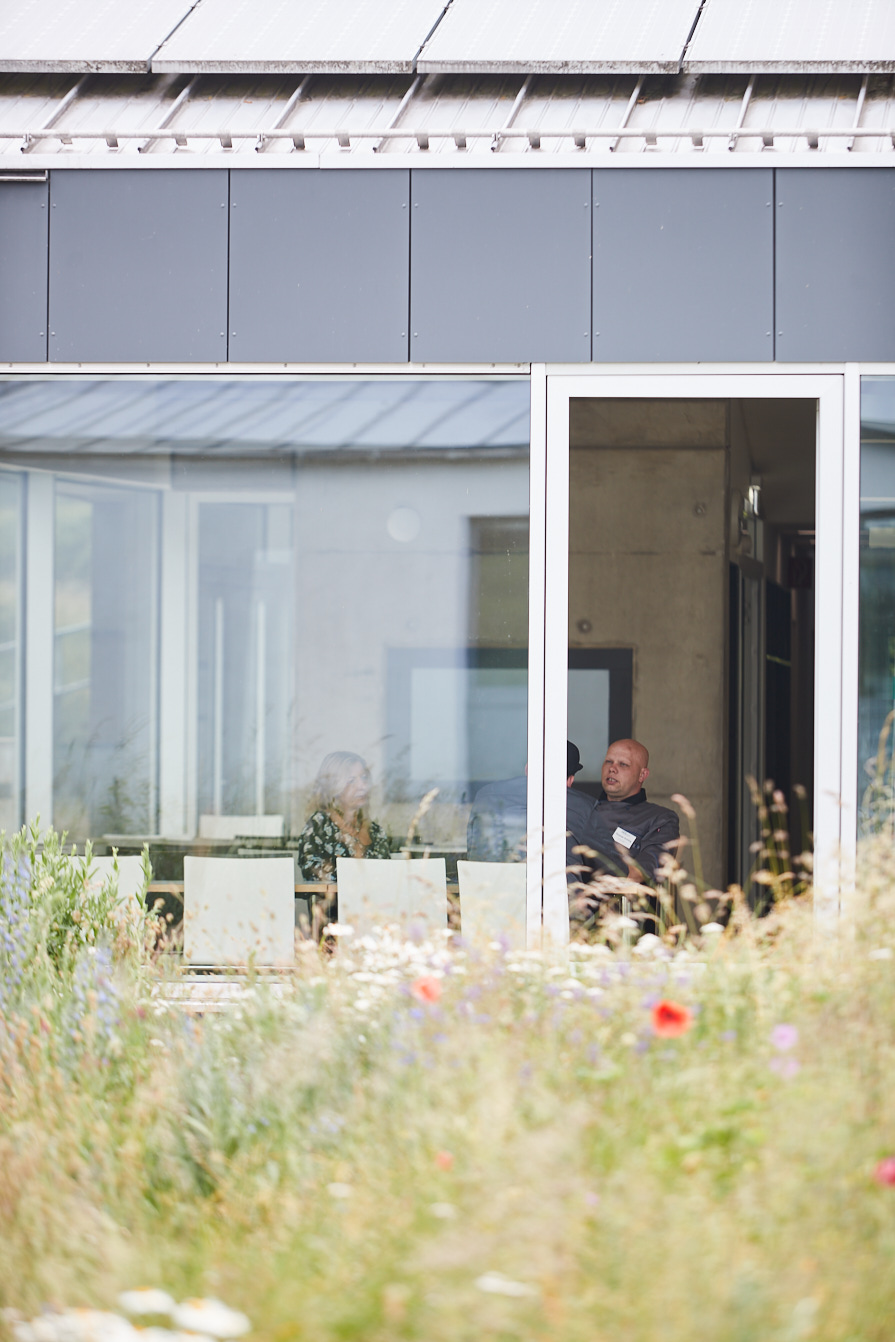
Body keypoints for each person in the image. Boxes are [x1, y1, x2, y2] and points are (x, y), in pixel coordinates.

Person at [568, 738, 679, 884]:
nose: (612, 768)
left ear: (642, 775)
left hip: (621, 902)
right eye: (608, 761)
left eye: (623, 764)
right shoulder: (582, 809)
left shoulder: (661, 818)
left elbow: (644, 870)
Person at [467, 741, 592, 864]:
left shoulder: (485, 795)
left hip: (488, 882)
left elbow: (473, 851)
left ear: (527, 769)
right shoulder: (586, 807)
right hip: (555, 883)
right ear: (570, 780)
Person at [296, 751, 391, 880]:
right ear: (334, 787)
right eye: (351, 780)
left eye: (364, 778)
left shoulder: (376, 832)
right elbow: (313, 874)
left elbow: (388, 878)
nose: (362, 786)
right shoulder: (318, 827)